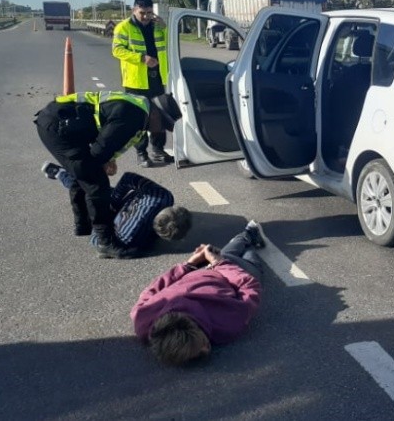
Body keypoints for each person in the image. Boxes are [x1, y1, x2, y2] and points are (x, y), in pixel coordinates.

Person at [35, 91, 182, 259]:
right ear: (155, 114)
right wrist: (105, 163)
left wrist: (109, 159)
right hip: (58, 128)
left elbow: (108, 137)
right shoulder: (133, 116)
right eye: (163, 124)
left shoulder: (140, 108)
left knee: (82, 173)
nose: (162, 130)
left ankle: (83, 225)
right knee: (96, 184)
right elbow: (98, 153)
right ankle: (105, 242)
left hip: (64, 124)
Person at [131, 221, 267, 366]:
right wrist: (199, 264)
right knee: (236, 253)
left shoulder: (227, 324)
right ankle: (245, 240)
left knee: (246, 262)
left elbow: (249, 285)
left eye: (202, 343)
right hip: (210, 270)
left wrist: (194, 264)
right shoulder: (142, 319)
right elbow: (155, 287)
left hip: (227, 274)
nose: (206, 348)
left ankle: (247, 236)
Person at [41, 164, 192, 255]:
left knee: (88, 191)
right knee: (92, 192)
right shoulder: (130, 236)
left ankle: (60, 173)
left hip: (117, 213)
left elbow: (97, 238)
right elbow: (96, 239)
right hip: (118, 206)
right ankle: (61, 173)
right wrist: (112, 202)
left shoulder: (163, 196)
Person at [113, 0, 174, 168]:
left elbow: (169, 44)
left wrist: (165, 27)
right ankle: (141, 153)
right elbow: (117, 50)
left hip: (157, 78)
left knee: (158, 116)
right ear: (134, 10)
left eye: (149, 12)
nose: (146, 16)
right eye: (142, 13)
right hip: (136, 81)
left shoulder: (157, 26)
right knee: (139, 119)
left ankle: (158, 150)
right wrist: (141, 58)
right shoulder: (123, 27)